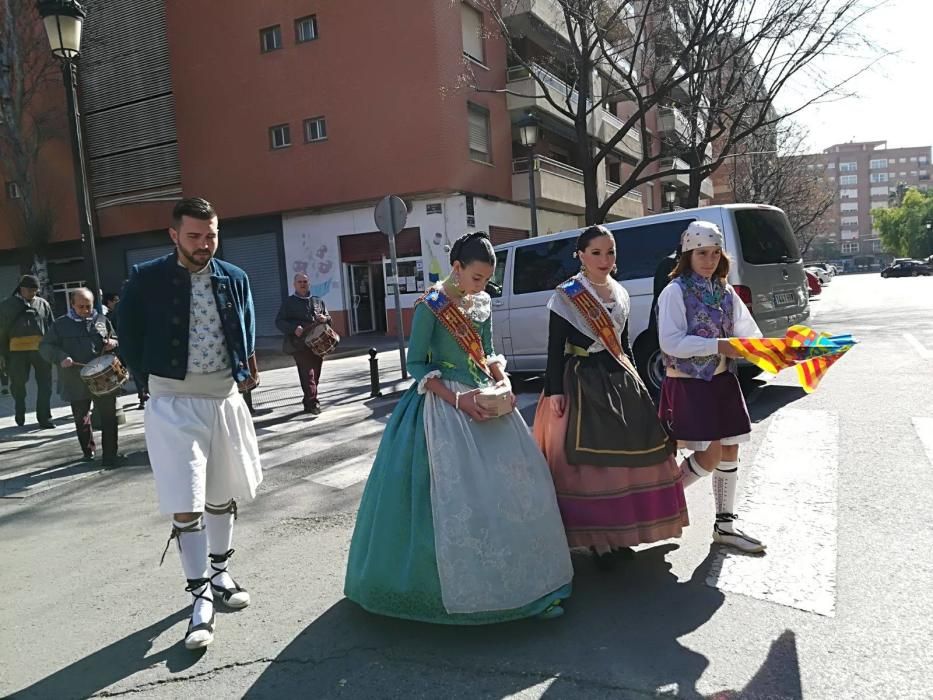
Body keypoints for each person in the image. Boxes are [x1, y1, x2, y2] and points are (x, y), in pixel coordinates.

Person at [345, 232, 573, 624]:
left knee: (516, 485)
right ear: (457, 268)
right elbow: (415, 364)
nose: (482, 285)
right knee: (448, 496)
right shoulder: (429, 307)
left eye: (486, 278)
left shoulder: (480, 302)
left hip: (483, 395)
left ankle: (528, 583)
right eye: (477, 277)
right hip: (441, 406)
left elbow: (485, 350)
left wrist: (502, 379)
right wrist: (458, 400)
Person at [119, 197, 262, 650]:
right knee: (187, 499)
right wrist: (151, 382)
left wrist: (246, 370)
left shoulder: (234, 278)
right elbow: (128, 336)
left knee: (223, 493)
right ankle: (199, 597)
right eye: (195, 236)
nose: (205, 244)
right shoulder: (146, 279)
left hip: (224, 398)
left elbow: (247, 328)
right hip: (173, 403)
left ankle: (220, 573)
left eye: (212, 235)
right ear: (174, 235)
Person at [533, 225, 688, 571]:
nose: (605, 260)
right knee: (587, 465)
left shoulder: (620, 293)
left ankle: (620, 533)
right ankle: (596, 540)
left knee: (628, 459)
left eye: (610, 252)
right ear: (581, 256)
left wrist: (641, 385)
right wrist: (554, 390)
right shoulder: (566, 296)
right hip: (580, 382)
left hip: (619, 378)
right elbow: (554, 349)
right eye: (597, 253)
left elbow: (626, 344)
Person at [656, 221, 765, 554]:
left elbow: (750, 333)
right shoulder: (675, 291)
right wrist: (719, 345)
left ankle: (725, 525)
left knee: (730, 449)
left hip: (722, 380)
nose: (709, 260)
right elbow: (670, 342)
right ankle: (661, 499)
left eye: (715, 253)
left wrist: (768, 350)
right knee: (708, 454)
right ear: (688, 254)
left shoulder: (725, 291)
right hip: (690, 383)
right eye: (702, 253)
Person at [40, 288, 123, 466]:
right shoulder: (60, 325)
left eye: (89, 306)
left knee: (109, 417)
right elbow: (45, 347)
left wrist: (113, 343)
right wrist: (61, 357)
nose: (86, 310)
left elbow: (115, 337)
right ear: (72, 304)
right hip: (74, 378)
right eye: (81, 307)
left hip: (103, 378)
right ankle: (88, 451)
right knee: (81, 418)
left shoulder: (101, 320)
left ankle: (110, 456)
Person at [0, 275, 55, 428]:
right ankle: (20, 409)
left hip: (41, 350)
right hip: (16, 352)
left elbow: (51, 327)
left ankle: (45, 417)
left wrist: (53, 348)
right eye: (29, 290)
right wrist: (2, 354)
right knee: (18, 385)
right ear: (21, 289)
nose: (33, 293)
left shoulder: (43, 304)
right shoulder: (6, 305)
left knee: (46, 385)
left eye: (35, 290)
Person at [275, 273, 332, 414]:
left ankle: (308, 400)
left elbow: (329, 319)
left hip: (318, 344)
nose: (303, 284)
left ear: (309, 283)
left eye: (305, 281)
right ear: (294, 284)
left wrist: (325, 318)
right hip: (299, 345)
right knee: (308, 374)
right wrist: (294, 329)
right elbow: (279, 322)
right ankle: (313, 403)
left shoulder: (318, 301)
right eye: (300, 281)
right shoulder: (289, 302)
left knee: (316, 374)